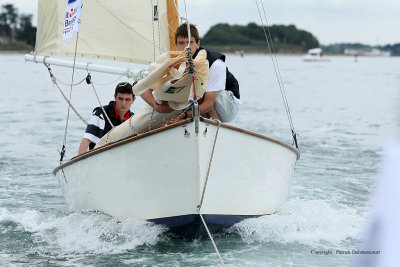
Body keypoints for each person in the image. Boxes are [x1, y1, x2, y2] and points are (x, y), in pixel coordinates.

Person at [143, 23, 241, 123]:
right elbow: (143, 86)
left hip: (228, 106)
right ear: (176, 45)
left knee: (200, 87)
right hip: (199, 102)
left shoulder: (215, 63)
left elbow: (209, 104)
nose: (186, 47)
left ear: (198, 43)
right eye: (181, 43)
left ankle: (215, 128)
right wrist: (157, 107)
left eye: (190, 42)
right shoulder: (172, 61)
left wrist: (185, 114)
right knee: (168, 91)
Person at [78, 82, 136, 155]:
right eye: (120, 99)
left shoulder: (133, 119)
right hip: (98, 159)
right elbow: (87, 139)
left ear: (133, 100)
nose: (123, 103)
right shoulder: (100, 114)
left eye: (127, 100)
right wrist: (81, 164)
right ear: (115, 97)